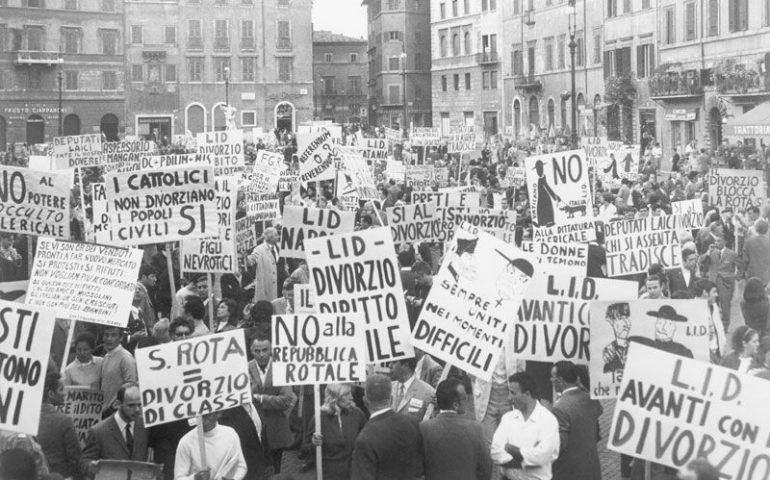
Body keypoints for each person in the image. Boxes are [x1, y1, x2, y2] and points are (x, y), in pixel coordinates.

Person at [350, 374, 424, 480]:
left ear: (365, 400)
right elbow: (420, 468)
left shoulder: (364, 439)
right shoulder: (412, 423)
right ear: (392, 399)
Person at [490, 372, 559, 480]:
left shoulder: (548, 420)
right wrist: (528, 460)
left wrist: (515, 451)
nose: (509, 398)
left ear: (527, 394)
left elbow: (541, 456)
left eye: (513, 393)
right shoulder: (508, 418)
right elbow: (495, 452)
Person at [420, 377, 492, 480]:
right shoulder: (476, 429)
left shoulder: (423, 428)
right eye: (464, 398)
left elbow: (417, 468)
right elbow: (485, 469)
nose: (467, 401)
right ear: (455, 405)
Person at [248, 330, 297, 474]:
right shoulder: (246, 367)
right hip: (254, 430)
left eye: (265, 350)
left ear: (271, 349)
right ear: (252, 351)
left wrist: (259, 398)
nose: (261, 354)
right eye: (257, 351)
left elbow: (286, 399)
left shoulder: (281, 367)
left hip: (276, 428)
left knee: (276, 469)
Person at [81, 382, 148, 476]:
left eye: (140, 405)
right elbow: (84, 462)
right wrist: (92, 466)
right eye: (131, 405)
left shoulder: (145, 426)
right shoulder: (98, 432)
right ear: (117, 404)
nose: (137, 410)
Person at [550, 361, 602, 480]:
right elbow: (599, 410)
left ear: (560, 380)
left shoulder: (559, 408)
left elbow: (560, 445)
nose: (551, 380)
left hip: (568, 472)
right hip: (591, 469)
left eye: (552, 377)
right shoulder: (589, 397)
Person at [304, 383, 367, 480]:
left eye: (350, 393)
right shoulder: (319, 418)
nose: (351, 397)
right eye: (346, 394)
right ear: (334, 397)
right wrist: (314, 444)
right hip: (329, 475)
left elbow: (366, 441)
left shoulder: (357, 414)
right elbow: (303, 451)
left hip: (353, 473)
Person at [174, 412, 247, 480]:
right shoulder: (185, 442)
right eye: (200, 414)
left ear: (218, 414)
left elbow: (241, 466)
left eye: (208, 414)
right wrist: (195, 478)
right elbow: (178, 478)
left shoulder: (230, 434)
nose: (203, 418)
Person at [37, 370, 81, 480]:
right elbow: (75, 459)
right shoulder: (64, 421)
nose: (65, 393)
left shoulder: (26, 418)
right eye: (61, 389)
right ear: (51, 394)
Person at [628, 305, 694, 358]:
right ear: (655, 324)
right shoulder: (641, 344)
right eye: (660, 322)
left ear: (674, 328)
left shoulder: (683, 352)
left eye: (669, 323)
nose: (663, 328)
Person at [703, 232, 737, 331]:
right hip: (713, 282)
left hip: (725, 283)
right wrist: (707, 252)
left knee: (725, 305)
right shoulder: (711, 253)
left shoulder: (732, 254)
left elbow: (741, 266)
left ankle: (725, 327)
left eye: (719, 240)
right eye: (716, 240)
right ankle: (713, 325)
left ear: (725, 241)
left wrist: (733, 277)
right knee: (712, 304)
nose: (716, 242)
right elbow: (702, 262)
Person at [98, 327, 138, 411]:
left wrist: (115, 406)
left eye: (113, 335)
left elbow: (131, 385)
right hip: (105, 410)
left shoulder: (126, 358)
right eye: (106, 335)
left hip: (116, 411)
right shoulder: (107, 356)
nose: (109, 339)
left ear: (121, 338)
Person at [694, 279, 727, 364]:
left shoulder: (714, 307)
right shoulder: (692, 309)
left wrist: (722, 350)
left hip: (717, 355)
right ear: (705, 293)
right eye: (714, 292)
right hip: (703, 358)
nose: (717, 295)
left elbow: (719, 329)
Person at [247, 228, 281, 302]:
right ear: (270, 238)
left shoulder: (280, 247)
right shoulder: (259, 249)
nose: (278, 237)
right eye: (276, 235)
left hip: (280, 285)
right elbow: (251, 261)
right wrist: (245, 257)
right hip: (267, 286)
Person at [602, 302, 631, 373]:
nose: (626, 323)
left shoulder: (634, 347)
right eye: (620, 318)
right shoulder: (609, 352)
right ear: (611, 322)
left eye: (627, 318)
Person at [532, 160, 562, 227]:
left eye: (539, 169)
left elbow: (548, 188)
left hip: (545, 196)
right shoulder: (539, 179)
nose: (538, 171)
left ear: (542, 168)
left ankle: (551, 221)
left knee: (547, 208)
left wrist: (555, 197)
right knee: (540, 208)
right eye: (537, 169)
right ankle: (541, 222)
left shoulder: (544, 178)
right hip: (540, 197)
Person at [134, 264, 158, 331]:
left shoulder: (144, 290)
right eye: (152, 276)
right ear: (144, 277)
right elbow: (139, 314)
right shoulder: (139, 292)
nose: (155, 279)